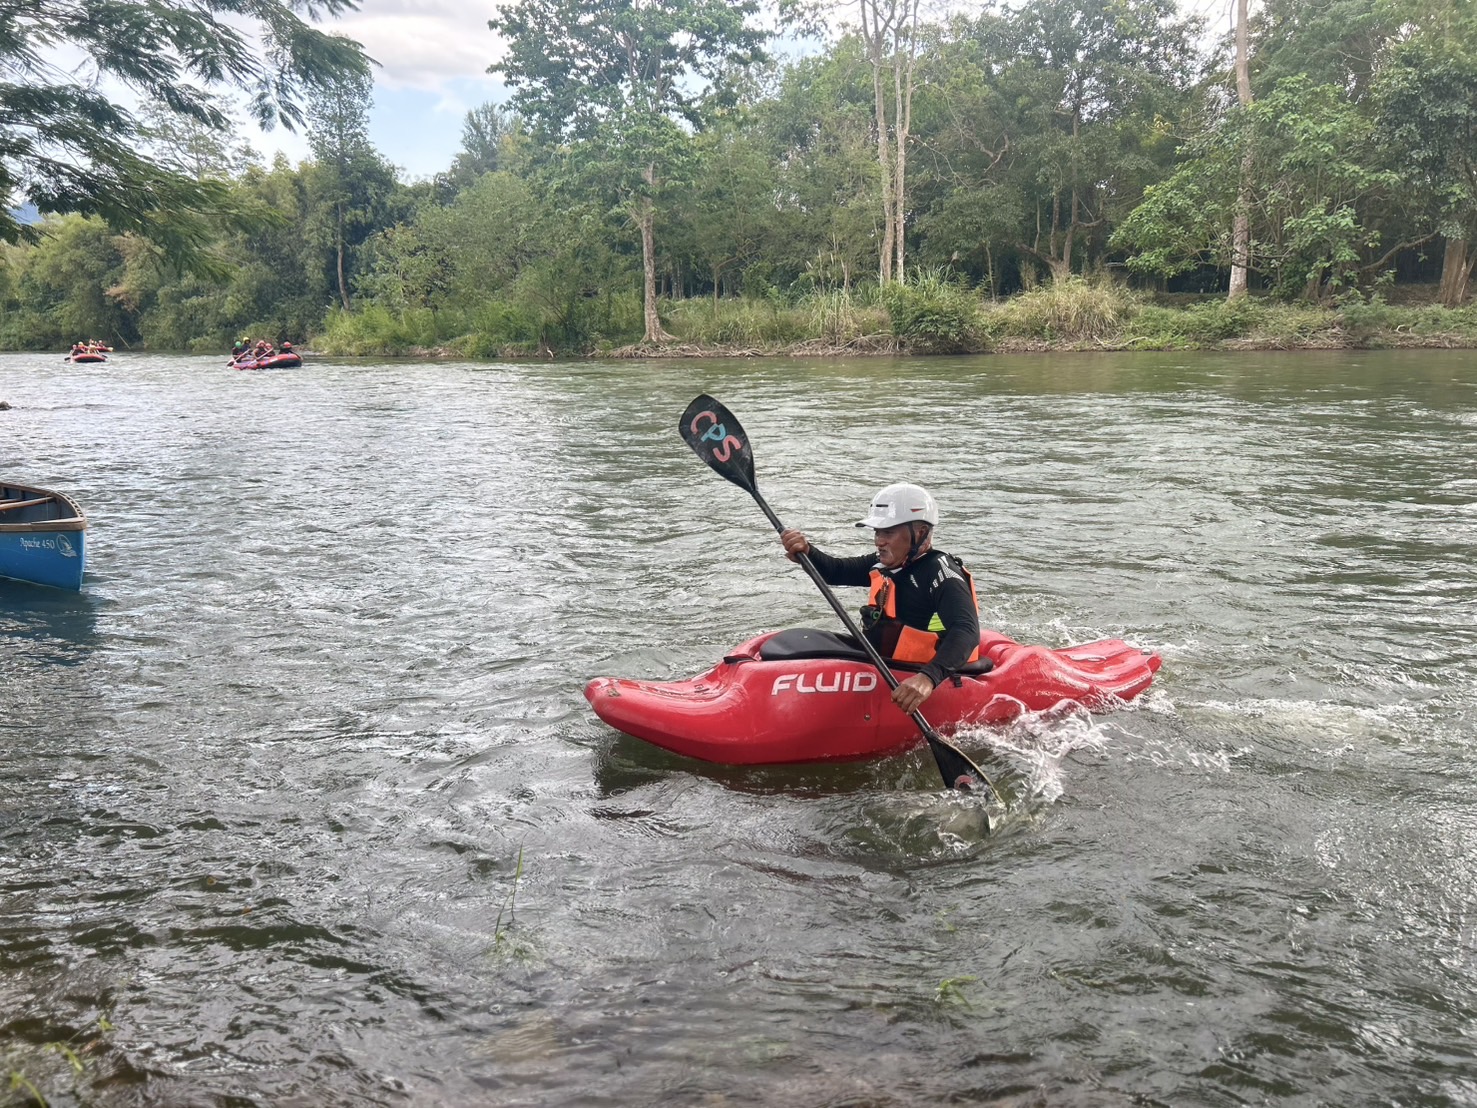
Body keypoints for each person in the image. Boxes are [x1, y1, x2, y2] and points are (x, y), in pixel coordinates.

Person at [780, 482, 981, 715]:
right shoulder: (884, 563)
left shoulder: (941, 573)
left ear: (920, 533)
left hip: (926, 672)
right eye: (877, 532)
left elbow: (966, 630)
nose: (879, 541)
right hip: (887, 662)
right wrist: (807, 551)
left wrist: (927, 678)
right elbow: (835, 571)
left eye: (888, 532)